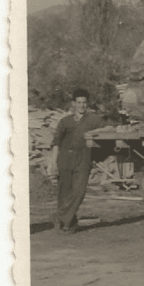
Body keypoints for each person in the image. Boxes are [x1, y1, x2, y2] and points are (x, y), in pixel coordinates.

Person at [50, 89, 108, 235]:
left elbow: (109, 128)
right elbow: (56, 142)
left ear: (87, 104)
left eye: (84, 102)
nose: (82, 105)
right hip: (64, 159)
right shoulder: (65, 121)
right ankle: (69, 224)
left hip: (83, 159)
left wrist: (95, 133)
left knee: (79, 192)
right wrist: (53, 162)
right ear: (74, 103)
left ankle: (60, 216)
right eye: (79, 102)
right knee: (64, 193)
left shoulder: (93, 120)